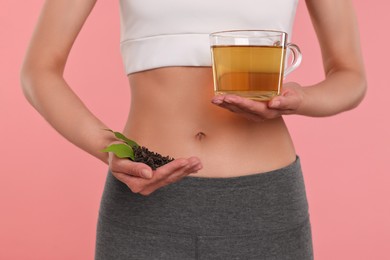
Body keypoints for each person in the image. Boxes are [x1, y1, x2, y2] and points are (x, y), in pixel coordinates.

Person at [20, 0, 366, 259]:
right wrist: (109, 147)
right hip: (145, 200)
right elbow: (39, 69)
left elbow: (350, 75)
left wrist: (301, 99)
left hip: (263, 204)